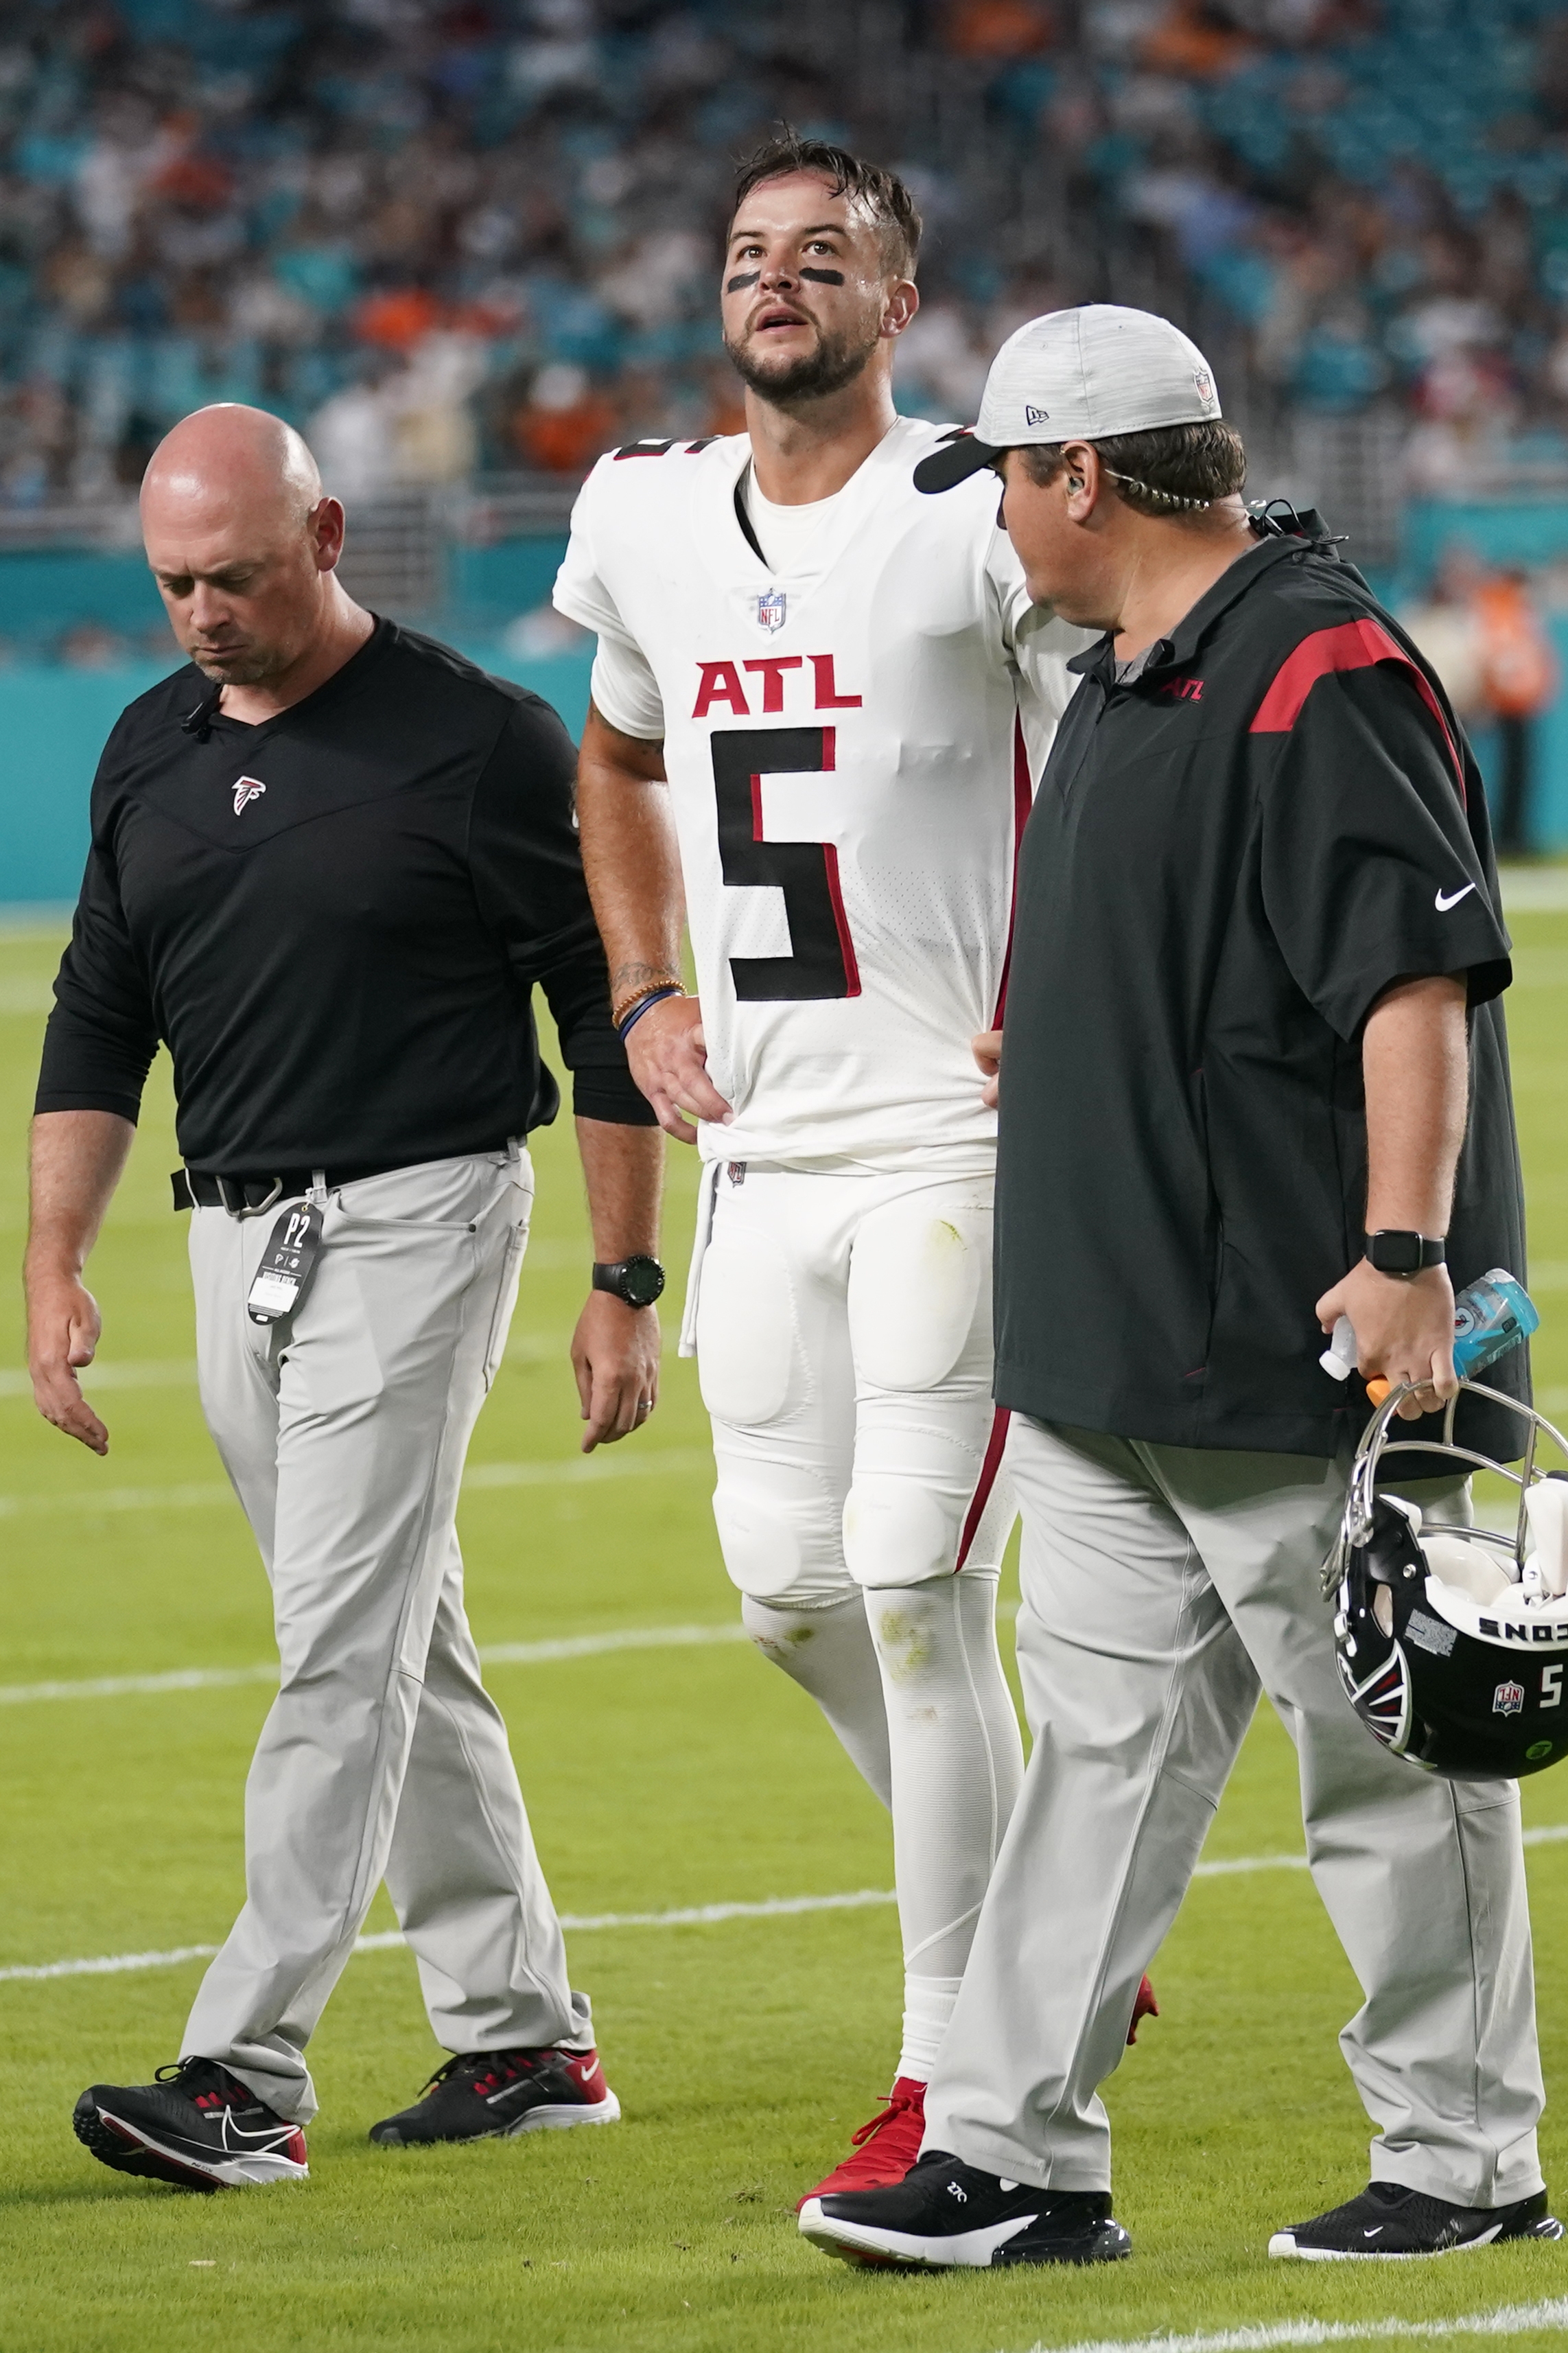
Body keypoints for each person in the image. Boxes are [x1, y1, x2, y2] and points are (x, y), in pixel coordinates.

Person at [801, 305, 1556, 2269]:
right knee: (1099, 1769)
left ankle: (1468, 2158)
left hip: (1301, 1343)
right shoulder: (1130, 670)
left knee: (1393, 1753)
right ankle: (1014, 2148)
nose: (1003, 523)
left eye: (1009, 482)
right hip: (1117, 1338)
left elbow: (1414, 988)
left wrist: (1407, 1261)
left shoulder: (1322, 663)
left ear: (1082, 476)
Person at [553, 134, 1136, 2200]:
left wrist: (1070, 977)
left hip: (953, 1136)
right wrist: (637, 991)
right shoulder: (639, 517)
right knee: (783, 1589)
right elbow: (616, 757)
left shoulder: (977, 506)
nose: (774, 278)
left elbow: (1124, 733)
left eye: (823, 254)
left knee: (909, 1584)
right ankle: (1040, 1892)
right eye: (745, 253)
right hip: (764, 1146)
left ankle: (953, 2070)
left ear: (898, 303)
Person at [27, 403, 665, 2191]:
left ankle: (245, 2069)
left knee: (336, 1646)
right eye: (173, 584)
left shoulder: (480, 740)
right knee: (397, 1639)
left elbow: (603, 1011)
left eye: (233, 574)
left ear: (323, 536)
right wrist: (53, 1258)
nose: (203, 612)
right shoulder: (147, 748)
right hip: (237, 1238)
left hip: (422, 1211)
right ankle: (526, 2032)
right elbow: (98, 1014)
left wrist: (623, 1274)